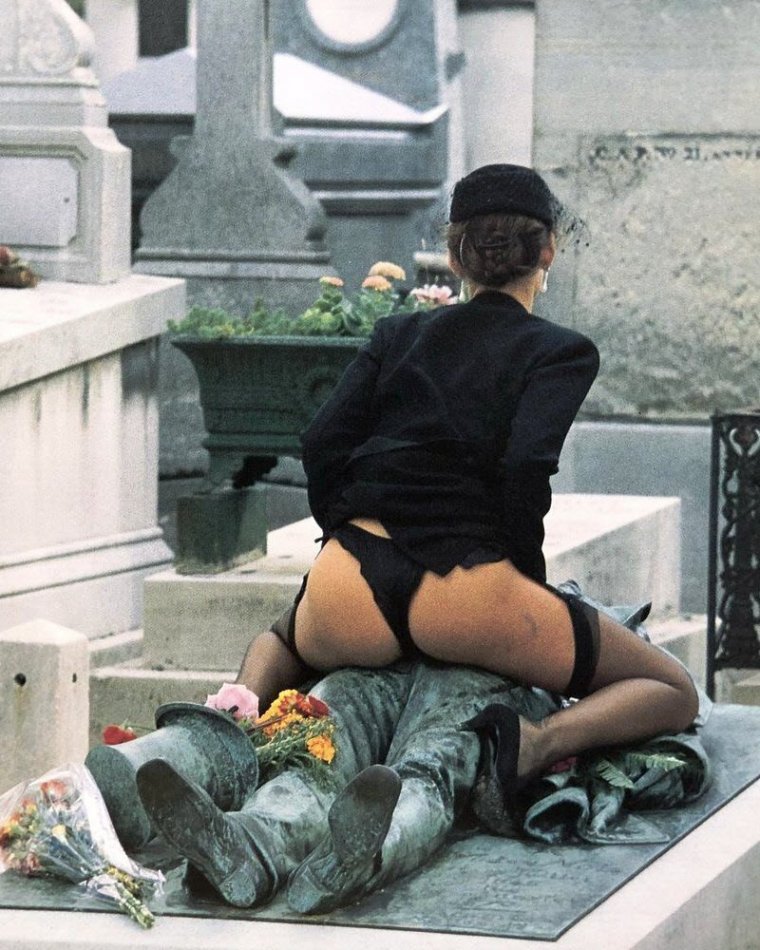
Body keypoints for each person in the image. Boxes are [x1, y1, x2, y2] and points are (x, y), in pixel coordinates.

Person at [236, 163, 699, 794]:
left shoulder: (397, 333)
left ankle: (230, 725)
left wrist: (344, 529)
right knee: (670, 688)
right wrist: (521, 581)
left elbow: (321, 441)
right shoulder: (562, 351)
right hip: (469, 590)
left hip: (350, 584)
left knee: (278, 640)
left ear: (455, 258)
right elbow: (524, 467)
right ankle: (536, 744)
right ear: (547, 252)